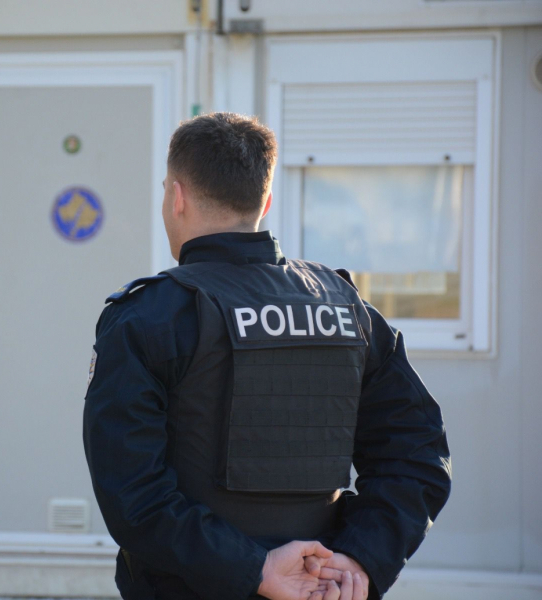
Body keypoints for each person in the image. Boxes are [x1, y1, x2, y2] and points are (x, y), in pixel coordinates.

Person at [82, 112, 452, 600]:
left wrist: (256, 570)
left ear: (177, 197)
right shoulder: (345, 306)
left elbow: (133, 495)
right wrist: (359, 560)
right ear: (267, 200)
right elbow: (418, 454)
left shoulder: (146, 316)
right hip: (325, 588)